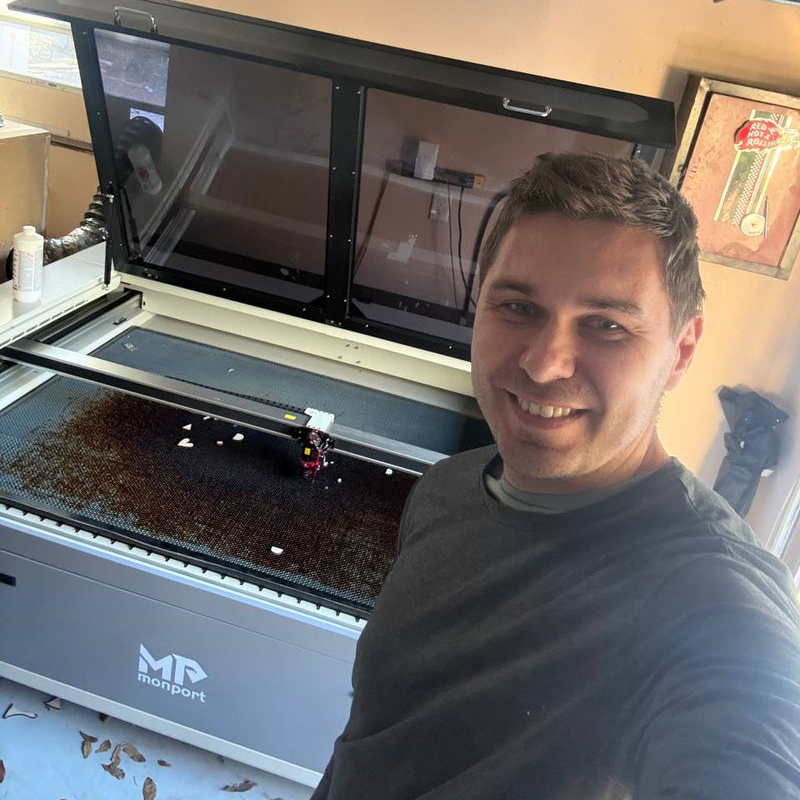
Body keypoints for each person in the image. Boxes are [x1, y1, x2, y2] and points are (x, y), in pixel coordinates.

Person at [311, 153, 800, 800]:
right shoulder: (447, 488)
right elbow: (380, 737)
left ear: (681, 350)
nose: (543, 364)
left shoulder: (712, 601)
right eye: (517, 306)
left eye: (606, 324)